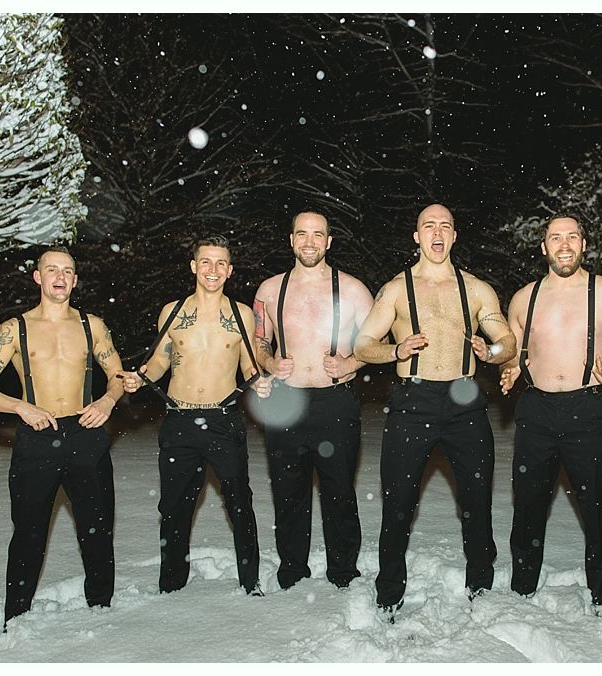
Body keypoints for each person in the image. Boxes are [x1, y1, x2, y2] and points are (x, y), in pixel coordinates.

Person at [354, 203, 516, 620]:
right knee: (399, 500)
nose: (437, 232)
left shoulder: (477, 289)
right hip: (413, 401)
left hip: (465, 402)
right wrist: (396, 349)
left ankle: (480, 582)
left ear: (455, 235)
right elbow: (362, 344)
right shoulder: (395, 289)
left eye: (445, 225)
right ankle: (389, 592)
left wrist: (492, 350)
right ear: (417, 236)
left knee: (476, 499)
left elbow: (507, 340)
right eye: (429, 225)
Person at [0, 246, 125, 628]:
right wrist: (20, 407)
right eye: (52, 269)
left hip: (86, 433)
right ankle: (15, 617)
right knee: (28, 533)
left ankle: (101, 610)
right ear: (38, 277)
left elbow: (118, 375)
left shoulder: (93, 326)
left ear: (74, 279)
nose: (60, 277)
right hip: (37, 436)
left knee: (97, 530)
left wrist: (107, 399)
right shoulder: (14, 329)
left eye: (68, 271)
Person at [499, 214, 602, 613]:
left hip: (587, 408)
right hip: (536, 410)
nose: (564, 245)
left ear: (584, 245)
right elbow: (516, 353)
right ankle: (523, 590)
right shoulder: (524, 298)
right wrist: (508, 369)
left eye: (572, 237)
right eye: (555, 238)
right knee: (527, 506)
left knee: (597, 507)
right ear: (543, 247)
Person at [118, 236, 263, 597]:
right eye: (205, 262)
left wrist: (260, 383)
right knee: (173, 506)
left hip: (223, 421)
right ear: (193, 266)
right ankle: (171, 583)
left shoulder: (242, 314)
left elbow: (249, 363)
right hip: (180, 421)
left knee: (239, 502)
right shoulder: (173, 311)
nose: (212, 270)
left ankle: (251, 582)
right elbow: (162, 358)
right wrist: (143, 376)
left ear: (229, 271)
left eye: (220, 264)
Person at [252, 211, 374, 590]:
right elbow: (258, 342)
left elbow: (375, 344)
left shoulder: (353, 289)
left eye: (317, 235)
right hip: (286, 401)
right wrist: (270, 361)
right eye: (302, 234)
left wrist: (351, 363)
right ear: (291, 240)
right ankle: (292, 568)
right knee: (288, 491)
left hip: (334, 403)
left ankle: (343, 570)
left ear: (329, 241)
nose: (309, 241)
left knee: (339, 489)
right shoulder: (270, 290)